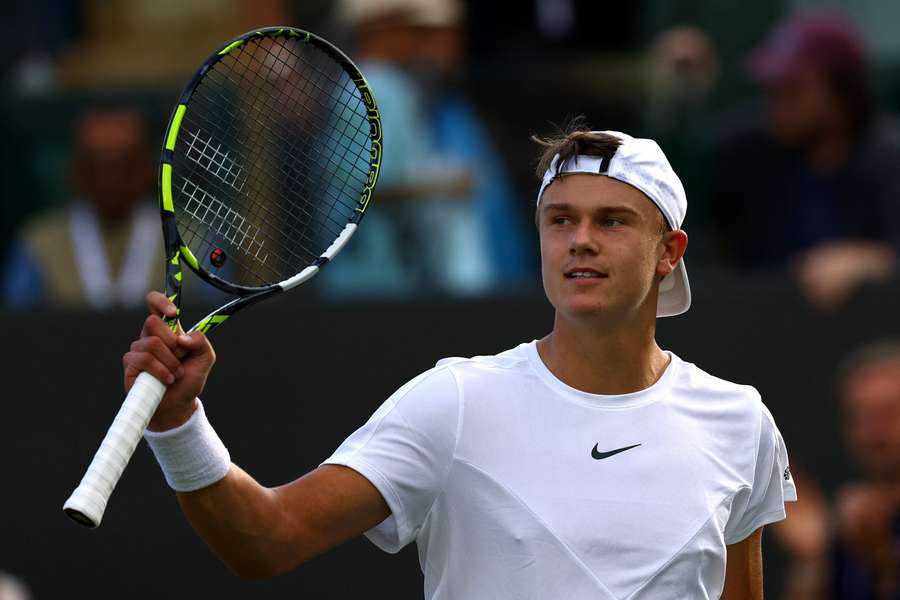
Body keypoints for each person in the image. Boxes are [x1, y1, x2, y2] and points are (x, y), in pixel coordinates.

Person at [124, 126, 796, 598]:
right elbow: (266, 539)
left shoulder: (740, 422)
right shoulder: (453, 402)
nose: (581, 241)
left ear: (669, 251)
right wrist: (178, 423)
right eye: (560, 220)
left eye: (612, 221)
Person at [318, 0, 531, 297]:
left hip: (397, 274)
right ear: (380, 29)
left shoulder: (391, 86)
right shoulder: (365, 90)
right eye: (408, 27)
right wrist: (442, 184)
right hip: (365, 278)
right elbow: (366, 188)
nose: (416, 39)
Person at [707, 10, 900, 310]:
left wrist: (870, 260)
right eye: (772, 89)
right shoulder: (744, 153)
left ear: (844, 93)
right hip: (759, 330)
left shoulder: (887, 160)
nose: (777, 104)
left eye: (793, 90)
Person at [773, 340, 900, 600]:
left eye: (888, 412)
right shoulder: (849, 524)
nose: (874, 431)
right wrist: (813, 559)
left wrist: (881, 559)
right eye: (860, 416)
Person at [1, 106, 162, 308]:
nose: (109, 180)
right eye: (93, 166)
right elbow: (13, 329)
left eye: (125, 165)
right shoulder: (38, 242)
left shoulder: (189, 241)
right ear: (73, 170)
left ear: (148, 169)